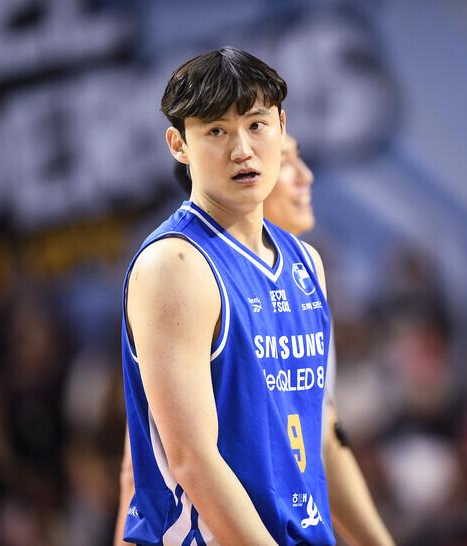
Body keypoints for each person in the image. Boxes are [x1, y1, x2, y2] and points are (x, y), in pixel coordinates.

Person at [115, 131, 394, 545]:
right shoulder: (188, 277)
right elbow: (139, 475)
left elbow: (324, 440)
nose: (305, 176)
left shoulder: (304, 274)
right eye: (288, 161)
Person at [119, 47, 334, 545]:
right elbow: (191, 459)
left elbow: (317, 441)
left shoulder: (306, 264)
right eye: (216, 131)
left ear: (282, 125)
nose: (242, 149)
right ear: (178, 145)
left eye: (256, 125)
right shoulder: (175, 264)